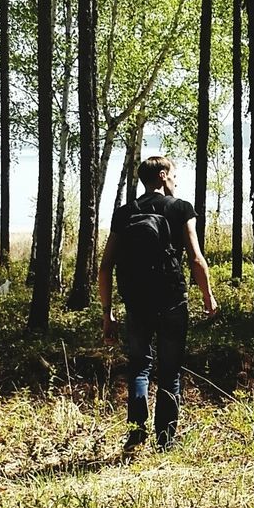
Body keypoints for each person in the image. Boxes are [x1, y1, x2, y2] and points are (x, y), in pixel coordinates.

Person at [98, 156, 218, 451]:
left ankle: (136, 433)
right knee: (170, 371)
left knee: (139, 367)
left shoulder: (126, 212)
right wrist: (208, 297)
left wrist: (107, 313)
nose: (176, 180)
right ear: (163, 176)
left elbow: (105, 266)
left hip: (136, 302)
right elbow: (195, 258)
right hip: (172, 302)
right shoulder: (180, 208)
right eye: (174, 175)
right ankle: (165, 441)